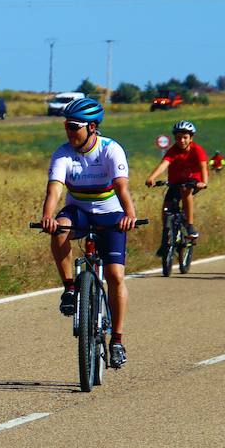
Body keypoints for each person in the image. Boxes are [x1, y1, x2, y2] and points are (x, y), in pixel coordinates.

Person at [38, 96, 139, 368]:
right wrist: (48, 216)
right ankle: (70, 288)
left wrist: (130, 214)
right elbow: (55, 190)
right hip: (78, 210)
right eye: (67, 126)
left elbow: (121, 187)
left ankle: (117, 340)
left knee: (116, 275)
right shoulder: (63, 153)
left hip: (110, 213)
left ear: (92, 127)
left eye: (74, 127)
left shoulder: (110, 149)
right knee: (59, 230)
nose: (69, 132)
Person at [144, 120, 208, 241]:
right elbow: (164, 164)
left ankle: (189, 225)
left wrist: (204, 182)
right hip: (175, 182)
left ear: (191, 138)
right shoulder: (173, 150)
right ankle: (166, 237)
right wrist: (152, 177)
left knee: (185, 190)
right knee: (166, 208)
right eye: (178, 138)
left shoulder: (197, 150)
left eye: (185, 137)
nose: (182, 141)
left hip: (192, 181)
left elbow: (203, 167)